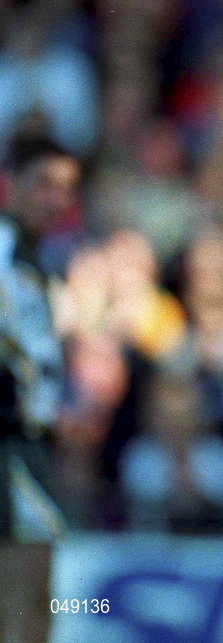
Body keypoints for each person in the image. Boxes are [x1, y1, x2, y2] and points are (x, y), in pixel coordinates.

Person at [0, 134, 81, 643]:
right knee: (28, 607)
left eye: (66, 188)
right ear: (10, 183)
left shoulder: (37, 261)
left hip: (30, 444)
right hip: (11, 448)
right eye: (43, 184)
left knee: (34, 606)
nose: (55, 199)